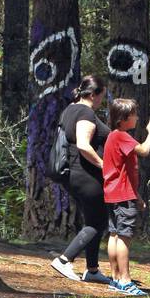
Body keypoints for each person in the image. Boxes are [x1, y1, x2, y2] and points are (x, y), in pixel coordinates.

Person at [50, 75, 115, 284]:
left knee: (93, 220)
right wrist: (103, 166)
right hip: (84, 174)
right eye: (101, 97)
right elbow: (84, 145)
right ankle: (64, 259)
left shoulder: (69, 109)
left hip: (74, 174)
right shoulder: (85, 111)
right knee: (98, 222)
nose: (101, 102)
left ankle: (92, 269)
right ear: (94, 94)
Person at [102, 98, 150, 296]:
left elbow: (124, 171)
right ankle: (125, 280)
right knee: (124, 237)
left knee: (115, 234)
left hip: (114, 193)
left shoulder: (112, 137)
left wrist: (138, 197)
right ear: (123, 118)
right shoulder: (122, 136)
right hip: (122, 195)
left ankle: (115, 279)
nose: (137, 117)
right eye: (134, 114)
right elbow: (144, 151)